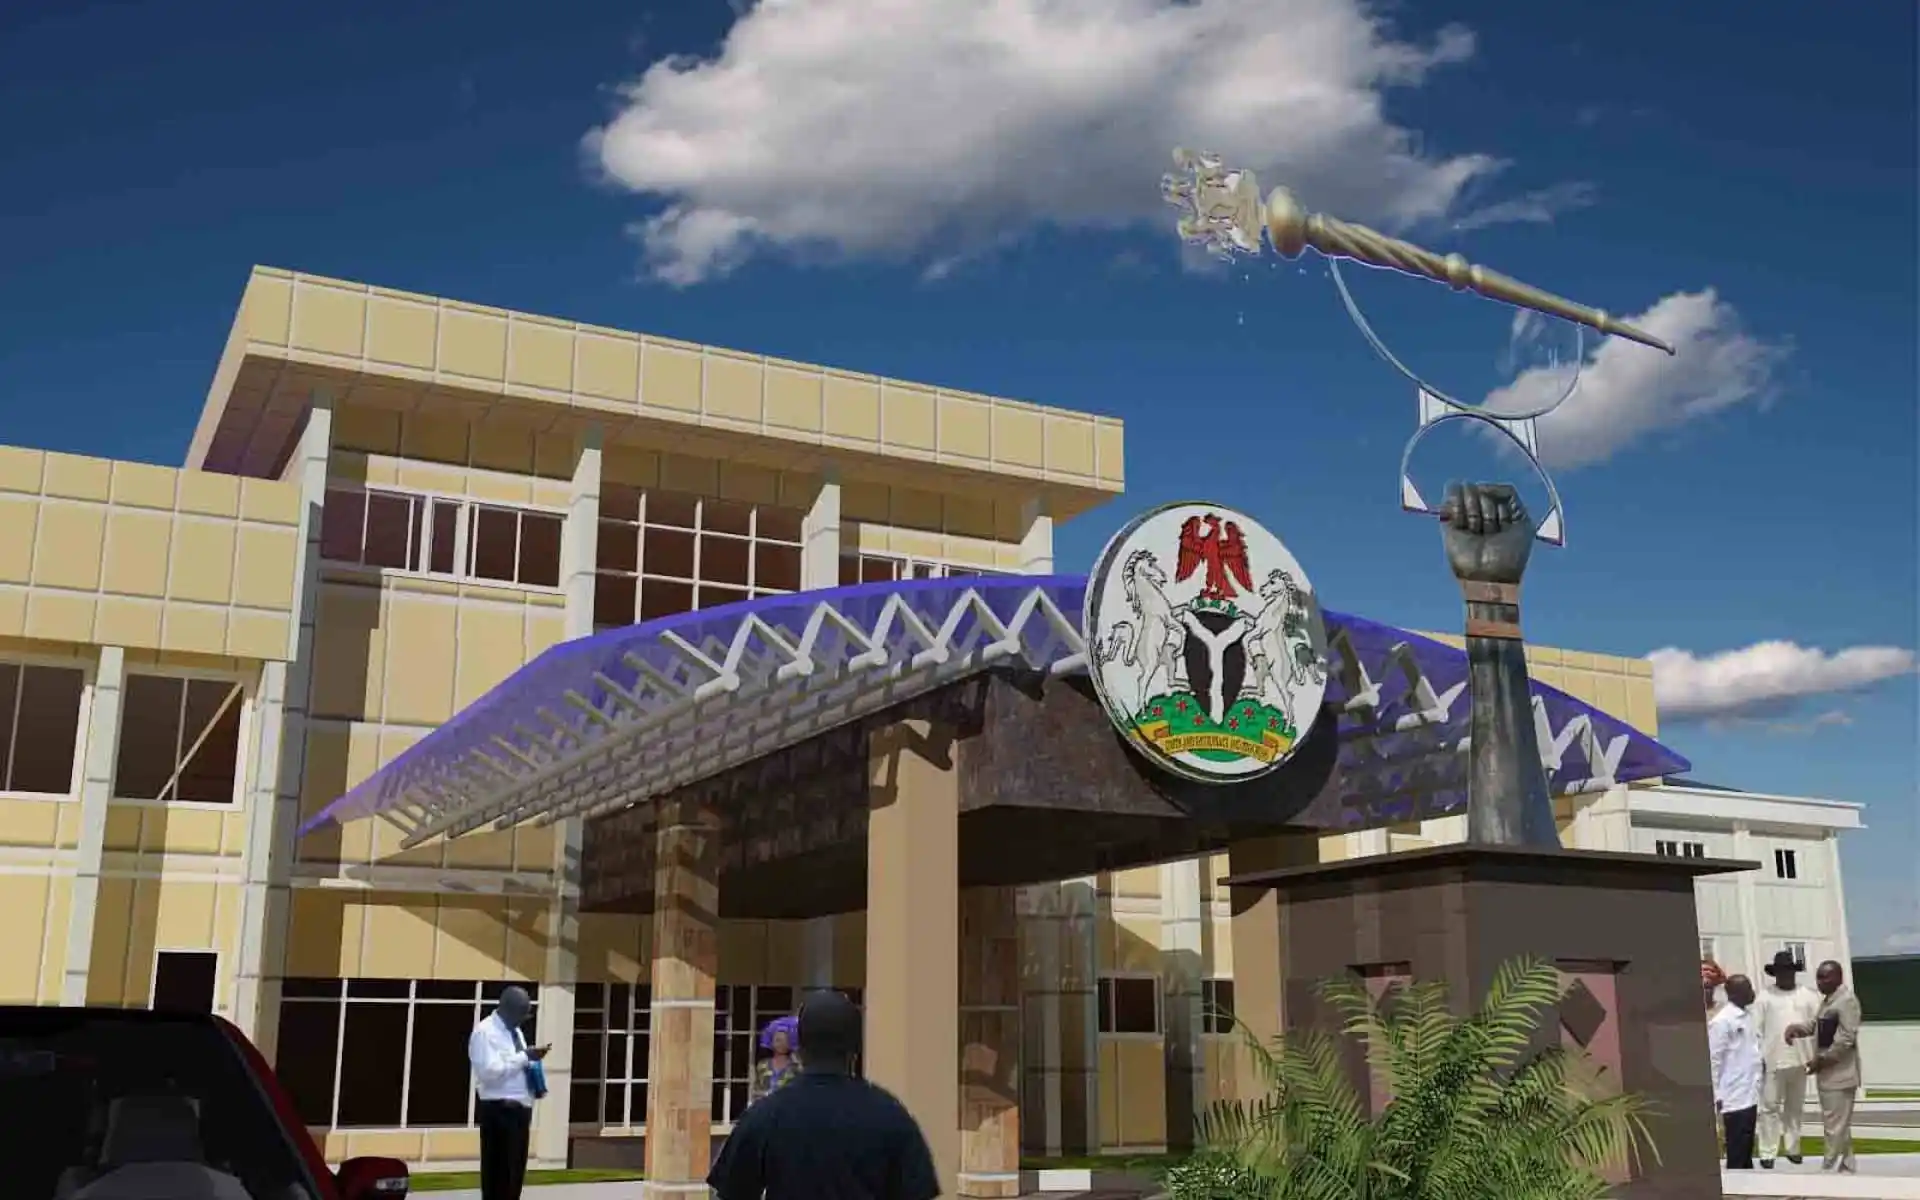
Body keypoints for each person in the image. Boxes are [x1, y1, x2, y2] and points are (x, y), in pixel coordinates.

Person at [709, 990, 940, 1200]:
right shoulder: (890, 1115)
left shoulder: (765, 1115)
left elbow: (732, 1192)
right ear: (855, 1050)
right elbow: (918, 1192)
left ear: (800, 1048)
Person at [468, 986, 549, 1200]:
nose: (524, 1020)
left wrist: (533, 1070)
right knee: (499, 1177)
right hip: (499, 1112)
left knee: (514, 1177)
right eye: (522, 1014)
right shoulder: (485, 1032)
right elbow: (488, 1072)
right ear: (508, 1009)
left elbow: (516, 1065)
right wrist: (524, 1057)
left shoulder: (515, 1032)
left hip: (520, 1112)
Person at [1787, 960, 1863, 1174]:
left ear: (1838, 977)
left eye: (1824, 977)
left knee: (1833, 1125)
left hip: (1840, 1075)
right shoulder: (1829, 1001)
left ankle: (1827, 1168)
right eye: (1818, 977)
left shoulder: (1846, 1001)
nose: (1819, 982)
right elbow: (1816, 1025)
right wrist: (1798, 1029)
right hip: (1827, 1073)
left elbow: (1846, 1039)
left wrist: (1821, 1060)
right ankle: (1848, 1165)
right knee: (1839, 1123)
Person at [1753, 950, 1820, 1167]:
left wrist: (1814, 1055)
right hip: (1772, 1060)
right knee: (1769, 1107)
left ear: (1794, 972)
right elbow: (1756, 1030)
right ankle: (1767, 1152)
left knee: (1795, 1107)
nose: (1785, 975)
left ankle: (1793, 1148)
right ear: (1775, 973)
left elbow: (1818, 1026)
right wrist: (1758, 1057)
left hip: (1800, 1060)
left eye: (1789, 971)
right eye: (1781, 972)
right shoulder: (1765, 997)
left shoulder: (1808, 996)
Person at [1707, 973, 1763, 1170]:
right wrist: (1716, 1094)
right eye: (1747, 989)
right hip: (1733, 1094)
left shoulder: (1747, 1016)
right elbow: (1714, 1059)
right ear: (1734, 994)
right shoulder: (1722, 1022)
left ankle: (1747, 1180)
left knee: (1747, 1146)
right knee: (1737, 1149)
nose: (1752, 992)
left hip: (1750, 1091)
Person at [753, 1019, 801, 1103]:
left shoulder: (796, 1066)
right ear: (771, 1042)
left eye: (785, 1041)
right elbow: (757, 1089)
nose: (781, 1044)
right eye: (778, 1040)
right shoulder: (763, 1065)